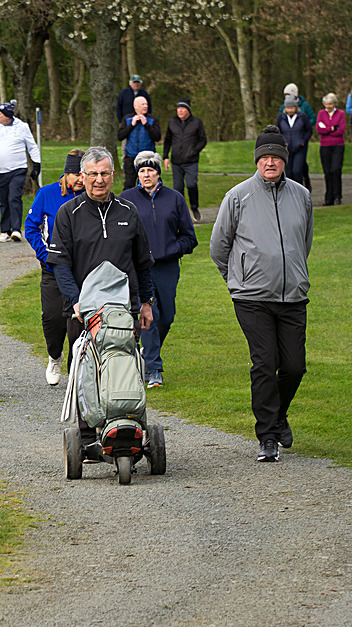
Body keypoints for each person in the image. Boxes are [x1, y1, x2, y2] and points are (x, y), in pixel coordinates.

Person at [210, 125, 313, 463]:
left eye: (276, 157)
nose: (270, 162)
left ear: (285, 160)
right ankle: (267, 436)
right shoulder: (237, 197)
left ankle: (278, 415)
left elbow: (303, 243)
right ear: (257, 160)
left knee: (294, 367)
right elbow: (218, 247)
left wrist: (293, 273)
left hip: (293, 296)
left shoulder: (301, 196)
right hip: (252, 298)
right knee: (265, 363)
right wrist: (237, 279)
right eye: (265, 157)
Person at [47, 146, 155, 452]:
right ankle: (87, 439)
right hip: (83, 311)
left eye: (104, 173)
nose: (99, 180)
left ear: (113, 175)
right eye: (92, 174)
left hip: (123, 310)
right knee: (84, 372)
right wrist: (75, 300)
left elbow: (142, 262)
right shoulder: (69, 214)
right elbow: (60, 265)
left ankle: (127, 428)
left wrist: (146, 302)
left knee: (125, 368)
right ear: (82, 176)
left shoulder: (128, 212)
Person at [119, 151, 197, 388]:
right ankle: (154, 369)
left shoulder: (175, 199)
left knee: (167, 317)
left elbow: (189, 238)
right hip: (139, 268)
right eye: (142, 171)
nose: (146, 175)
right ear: (137, 174)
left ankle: (146, 353)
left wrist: (171, 249)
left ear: (158, 173)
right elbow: (119, 235)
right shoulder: (127, 199)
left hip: (167, 267)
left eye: (150, 170)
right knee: (149, 316)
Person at [24, 149, 85, 385]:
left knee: (78, 322)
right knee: (52, 319)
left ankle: (75, 370)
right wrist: (45, 255)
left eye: (84, 174)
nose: (81, 180)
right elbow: (31, 227)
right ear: (66, 173)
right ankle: (54, 356)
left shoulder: (90, 196)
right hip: (52, 269)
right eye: (77, 174)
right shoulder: (47, 193)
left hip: (81, 271)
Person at [0, 101, 41, 242]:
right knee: (4, 201)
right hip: (0, 171)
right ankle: (5, 231)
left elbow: (32, 146)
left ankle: (16, 230)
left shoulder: (22, 127)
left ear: (7, 116)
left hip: (18, 169)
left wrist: (36, 165)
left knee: (14, 197)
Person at [162, 97, 207, 221]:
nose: (180, 111)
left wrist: (193, 151)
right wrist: (165, 157)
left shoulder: (196, 122)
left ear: (188, 110)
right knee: (178, 188)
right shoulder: (172, 122)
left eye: (182, 108)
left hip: (191, 161)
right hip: (176, 162)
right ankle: (181, 212)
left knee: (191, 185)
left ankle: (194, 208)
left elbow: (203, 140)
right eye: (178, 108)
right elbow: (167, 140)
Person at [117, 96, 161, 190]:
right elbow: (120, 136)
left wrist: (146, 124)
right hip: (131, 157)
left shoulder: (152, 119)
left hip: (147, 158)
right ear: (135, 106)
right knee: (129, 184)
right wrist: (131, 125)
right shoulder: (127, 119)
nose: (145, 106)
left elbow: (157, 137)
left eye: (146, 104)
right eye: (143, 104)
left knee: (148, 185)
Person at [280, 83, 317, 192]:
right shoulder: (283, 111)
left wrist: (302, 130)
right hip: (288, 144)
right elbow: (280, 125)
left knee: (299, 168)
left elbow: (312, 120)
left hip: (300, 141)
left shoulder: (304, 107)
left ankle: (303, 186)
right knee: (289, 171)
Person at [316, 92, 345, 206]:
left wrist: (327, 129)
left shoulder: (341, 114)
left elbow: (341, 130)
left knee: (335, 170)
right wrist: (332, 128)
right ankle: (329, 197)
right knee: (327, 172)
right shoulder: (321, 113)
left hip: (338, 145)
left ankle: (337, 196)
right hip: (325, 146)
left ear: (334, 104)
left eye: (330, 104)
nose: (328, 106)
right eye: (326, 104)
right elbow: (319, 130)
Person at [276, 95, 312, 185]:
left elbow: (309, 130)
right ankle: (289, 190)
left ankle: (299, 189)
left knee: (297, 171)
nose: (290, 110)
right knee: (289, 172)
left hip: (299, 148)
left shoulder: (302, 117)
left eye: (292, 108)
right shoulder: (281, 117)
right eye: (288, 108)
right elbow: (277, 131)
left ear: (295, 108)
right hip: (286, 149)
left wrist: (303, 141)